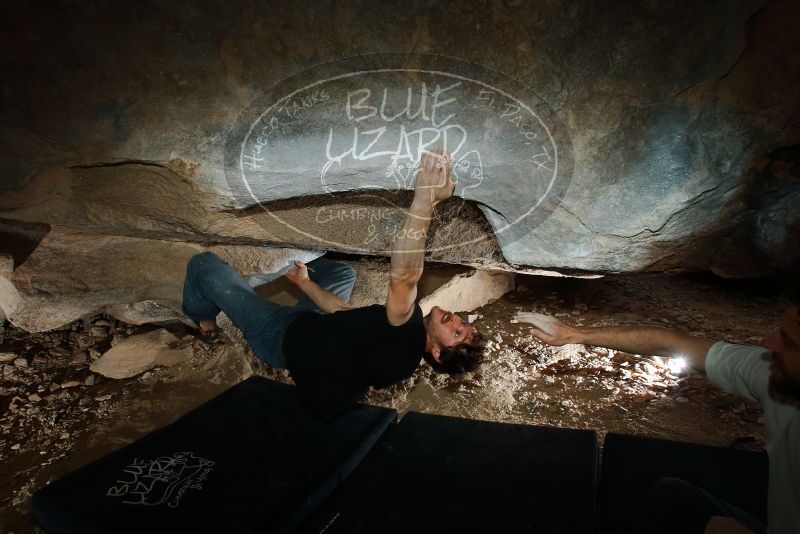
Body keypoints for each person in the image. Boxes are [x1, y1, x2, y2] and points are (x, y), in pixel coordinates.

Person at [181, 149, 485, 418]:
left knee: (203, 265)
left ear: (436, 351)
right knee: (343, 275)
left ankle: (205, 322)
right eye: (463, 324)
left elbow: (404, 277)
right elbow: (343, 313)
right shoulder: (402, 356)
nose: (455, 319)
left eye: (456, 332)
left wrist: (425, 199)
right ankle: (291, 262)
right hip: (317, 329)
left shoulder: (406, 332)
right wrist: (304, 284)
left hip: (279, 335)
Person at [515, 285, 800, 534]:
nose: (766, 344)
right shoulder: (769, 373)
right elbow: (670, 344)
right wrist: (574, 334)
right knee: (672, 493)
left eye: (788, 343)